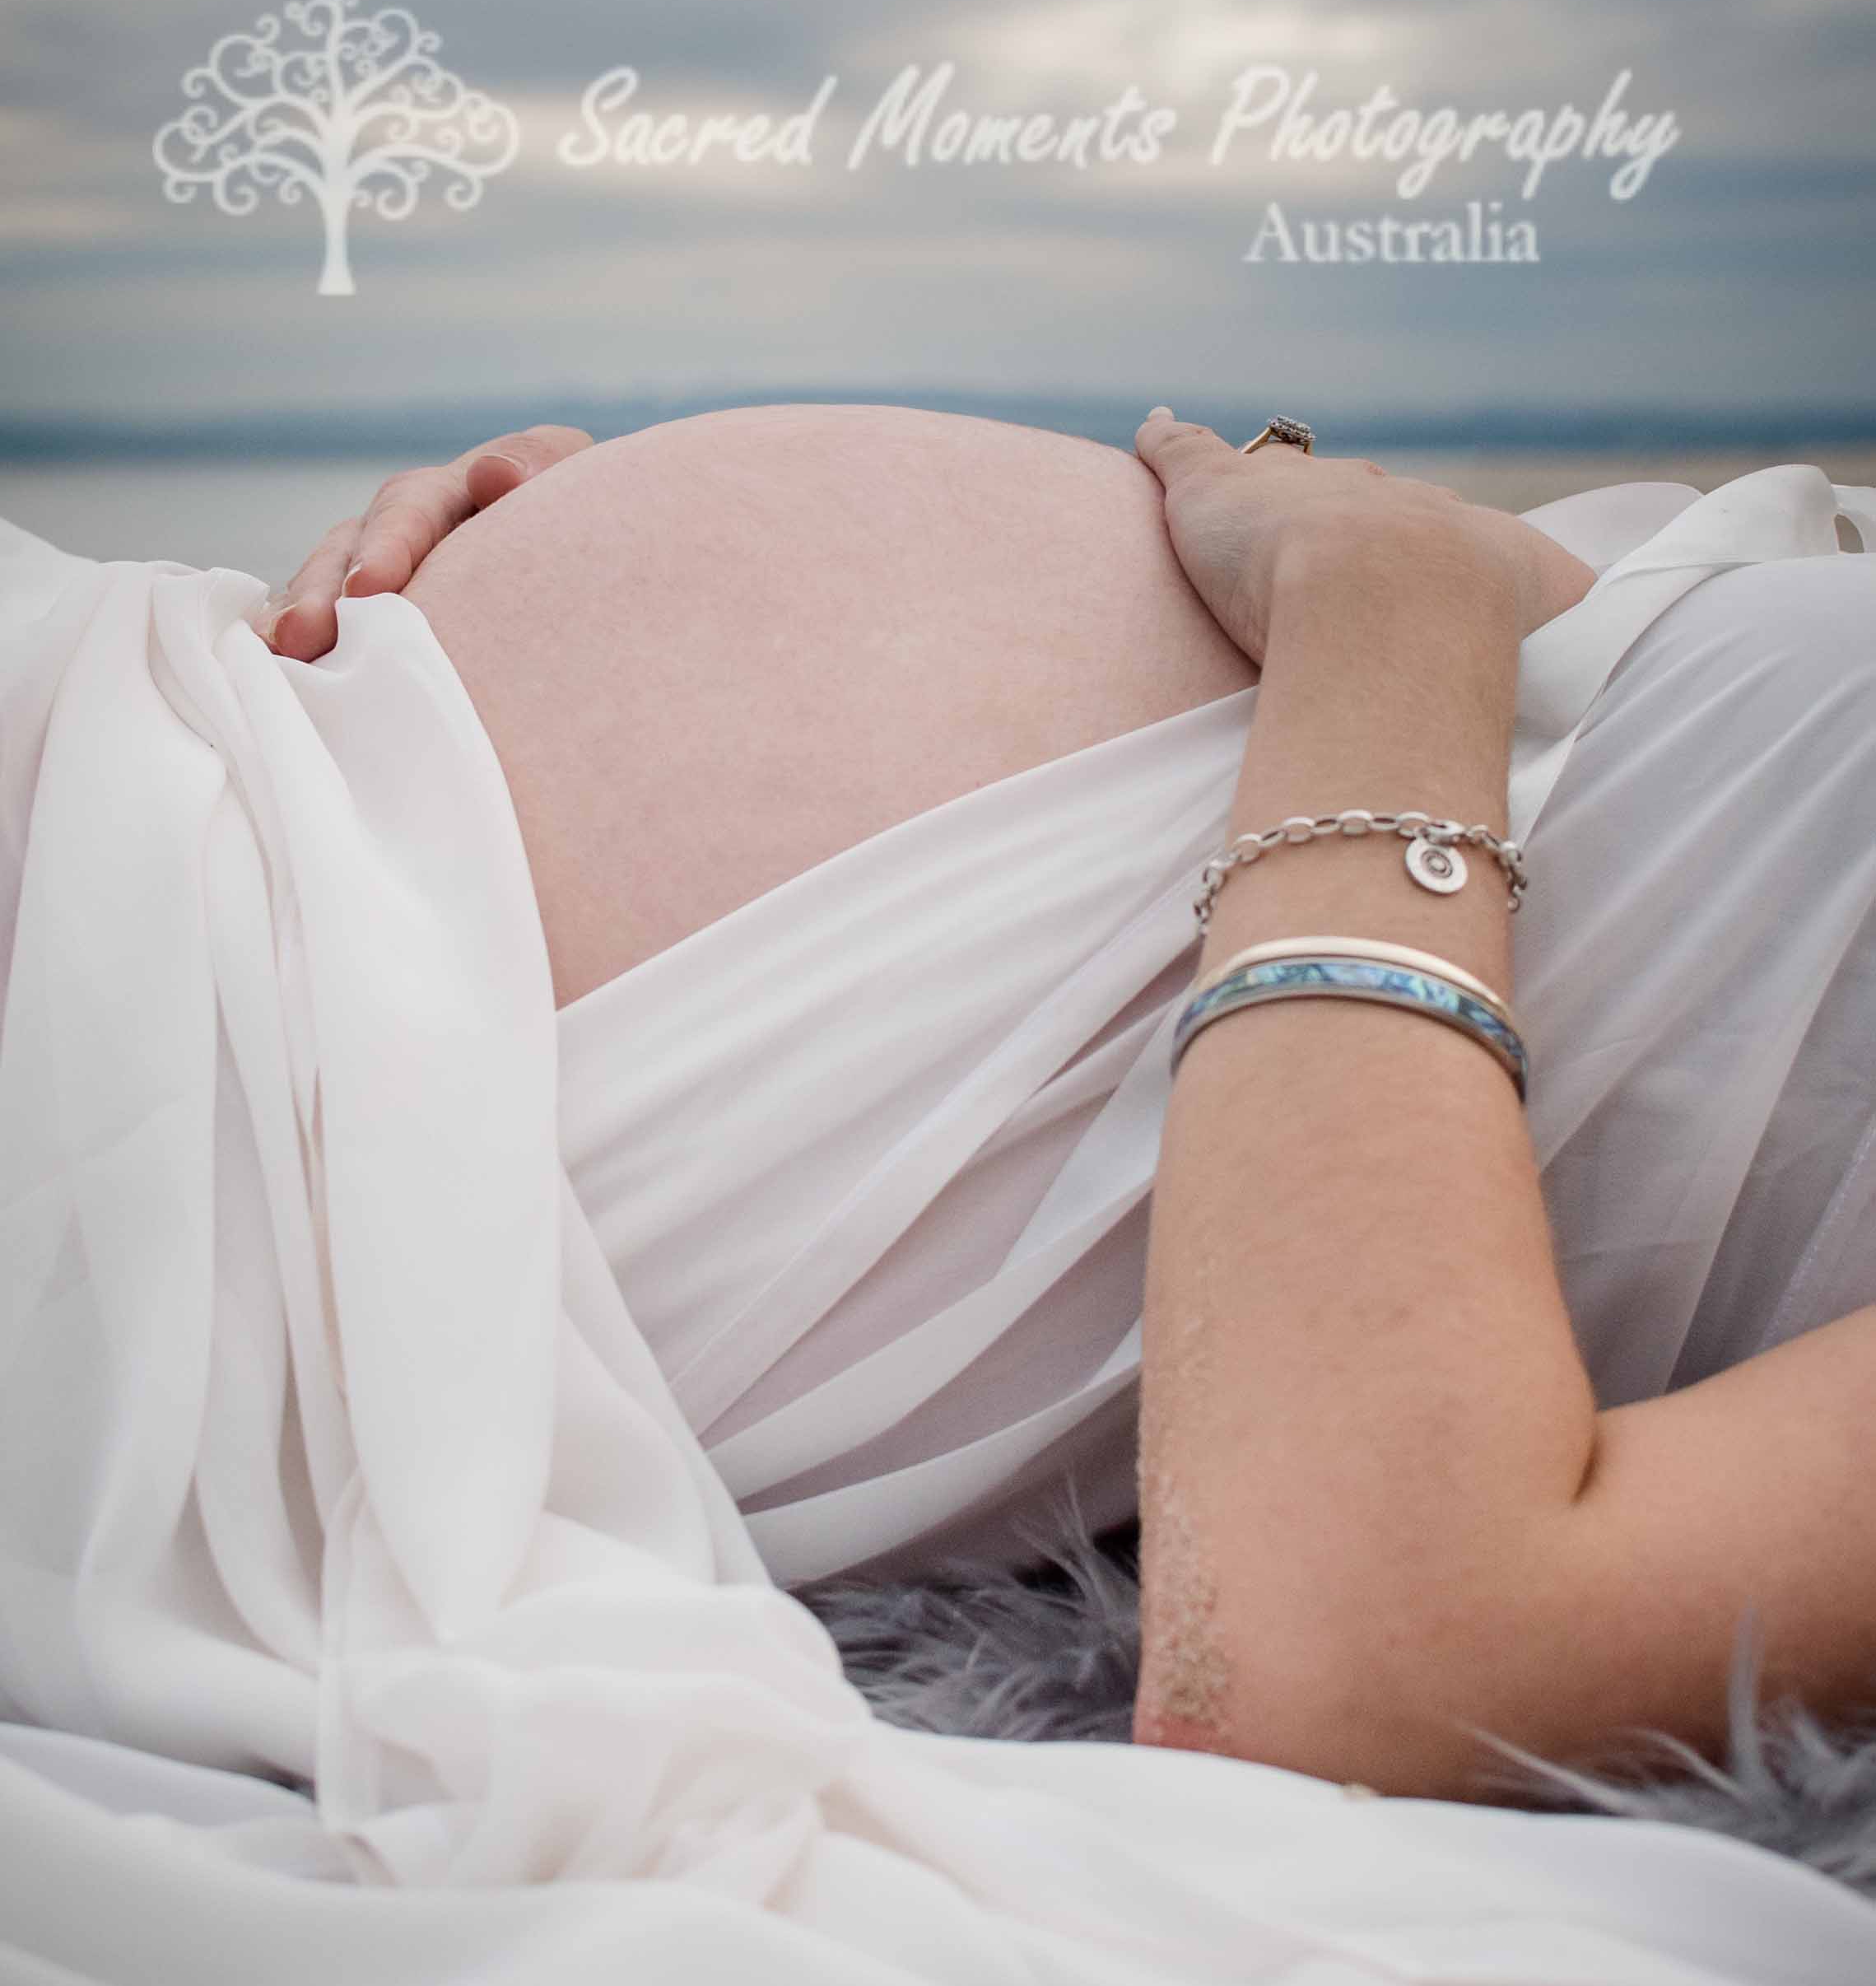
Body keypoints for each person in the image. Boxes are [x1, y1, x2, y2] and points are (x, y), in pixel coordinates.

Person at [247, 399, 1876, 1802]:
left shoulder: (1389, 618)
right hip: (269, 736)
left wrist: (1387, 606)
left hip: (377, 1129)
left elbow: (1383, 1636)